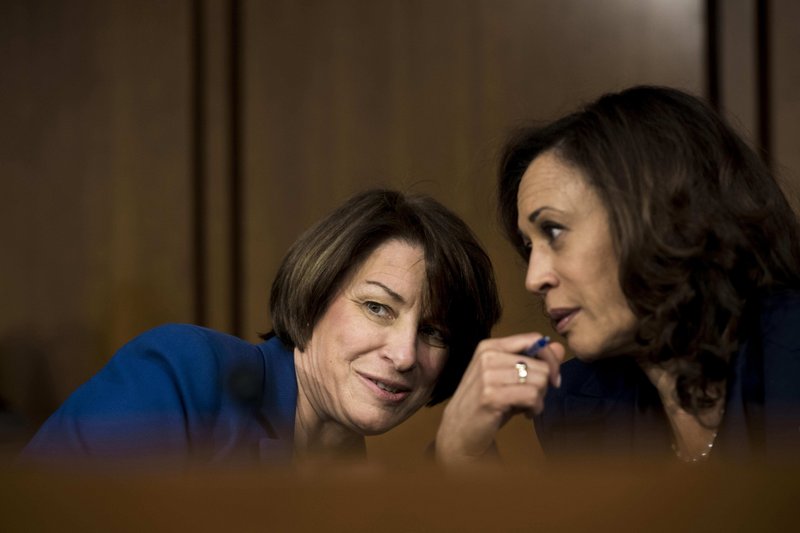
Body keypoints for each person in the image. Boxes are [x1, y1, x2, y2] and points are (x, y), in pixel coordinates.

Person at [436, 85, 800, 465]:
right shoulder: (576, 406)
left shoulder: (790, 351)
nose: (533, 279)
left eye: (554, 231)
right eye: (529, 248)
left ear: (658, 218)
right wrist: (460, 451)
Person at [23, 189, 501, 464]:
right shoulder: (184, 373)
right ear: (314, 296)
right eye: (377, 307)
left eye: (434, 333)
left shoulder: (356, 487)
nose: (403, 355)